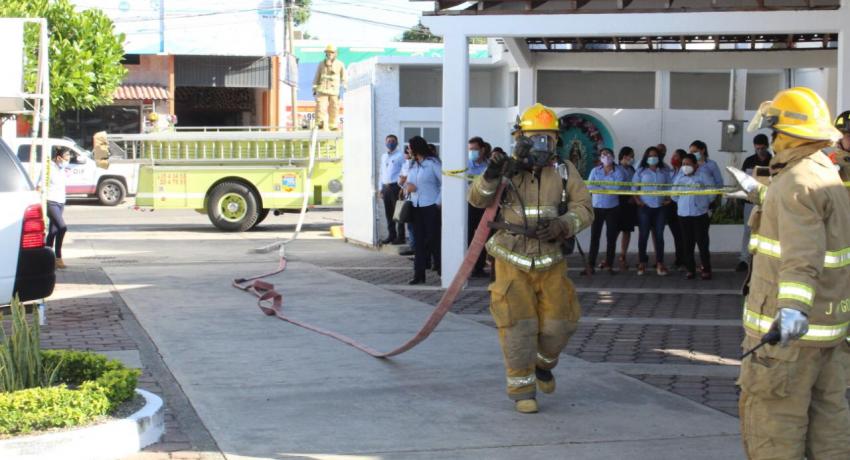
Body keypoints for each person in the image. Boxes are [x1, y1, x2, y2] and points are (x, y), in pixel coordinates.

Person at [727, 87, 850, 459]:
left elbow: (801, 253)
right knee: (829, 428)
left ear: (788, 132)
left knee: (774, 429)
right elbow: (806, 223)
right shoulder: (825, 173)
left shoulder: (796, 180)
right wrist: (761, 194)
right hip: (828, 333)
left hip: (787, 340)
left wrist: (793, 307)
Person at [468, 103, 593, 414]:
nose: (541, 146)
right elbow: (477, 199)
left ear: (556, 142)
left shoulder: (565, 171)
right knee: (517, 326)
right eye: (534, 139)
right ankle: (522, 389)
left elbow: (585, 209)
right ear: (519, 139)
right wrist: (493, 173)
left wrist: (563, 225)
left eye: (547, 140)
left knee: (559, 325)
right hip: (512, 260)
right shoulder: (508, 171)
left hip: (551, 260)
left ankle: (543, 363)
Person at [405, 136, 441, 285]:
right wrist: (407, 188)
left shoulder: (433, 163)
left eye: (410, 147)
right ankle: (418, 274)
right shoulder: (413, 164)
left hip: (430, 206)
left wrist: (438, 202)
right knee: (418, 242)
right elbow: (408, 183)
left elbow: (444, 183)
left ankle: (441, 269)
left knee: (433, 240)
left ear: (416, 148)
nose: (408, 150)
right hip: (415, 206)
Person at [633, 146, 672, 276]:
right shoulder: (640, 171)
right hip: (644, 207)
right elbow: (634, 188)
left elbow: (670, 188)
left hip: (660, 208)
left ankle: (660, 263)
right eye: (650, 156)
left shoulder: (664, 171)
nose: (653, 158)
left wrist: (668, 199)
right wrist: (638, 201)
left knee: (659, 236)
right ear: (646, 157)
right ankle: (642, 262)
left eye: (655, 155)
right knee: (643, 235)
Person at [672, 153, 712, 280]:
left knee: (702, 243)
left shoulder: (703, 175)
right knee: (687, 243)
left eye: (688, 164)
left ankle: (706, 269)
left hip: (700, 214)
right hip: (684, 215)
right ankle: (690, 269)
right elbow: (674, 195)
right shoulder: (680, 178)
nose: (685, 167)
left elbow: (712, 193)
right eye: (683, 164)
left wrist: (703, 204)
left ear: (695, 165)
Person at [585, 148, 625, 275]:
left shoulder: (619, 171)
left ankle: (609, 264)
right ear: (600, 157)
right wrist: (606, 186)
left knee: (611, 237)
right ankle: (590, 265)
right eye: (603, 154)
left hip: (613, 208)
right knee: (594, 237)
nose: (606, 156)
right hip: (597, 207)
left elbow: (617, 187)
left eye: (608, 154)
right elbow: (590, 186)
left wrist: (600, 186)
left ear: (613, 156)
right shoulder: (595, 170)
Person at [736, 134, 772, 272]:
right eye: (757, 149)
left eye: (762, 148)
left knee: (769, 230)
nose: (760, 151)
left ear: (767, 146)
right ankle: (745, 260)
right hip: (751, 202)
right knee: (748, 230)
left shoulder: (773, 161)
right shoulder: (749, 161)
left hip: (769, 202)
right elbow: (743, 180)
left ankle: (765, 260)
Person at [39, 148, 72, 269]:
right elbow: (40, 185)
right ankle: (58, 257)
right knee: (62, 227)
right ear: (58, 158)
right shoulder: (48, 168)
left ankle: (46, 259)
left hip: (60, 202)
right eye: (66, 158)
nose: (67, 161)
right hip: (51, 202)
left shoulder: (62, 169)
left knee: (53, 231)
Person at [467, 137, 490, 277]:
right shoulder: (465, 166)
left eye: (474, 150)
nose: (472, 153)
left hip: (485, 206)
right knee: (469, 236)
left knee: (483, 236)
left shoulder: (489, 167)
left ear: (482, 149)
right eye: (470, 150)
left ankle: (479, 267)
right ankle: (467, 267)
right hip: (468, 205)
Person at [378, 135, 405, 245]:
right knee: (389, 213)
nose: (390, 143)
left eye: (393, 141)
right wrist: (380, 188)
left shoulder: (400, 156)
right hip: (386, 187)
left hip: (396, 187)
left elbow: (404, 172)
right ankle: (391, 235)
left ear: (397, 142)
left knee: (398, 213)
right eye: (388, 141)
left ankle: (400, 236)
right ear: (385, 142)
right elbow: (381, 173)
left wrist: (402, 188)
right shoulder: (384, 156)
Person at [312, 44, 346, 131]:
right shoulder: (321, 64)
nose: (329, 54)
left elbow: (344, 79)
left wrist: (343, 90)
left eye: (331, 52)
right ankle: (319, 124)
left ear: (335, 53)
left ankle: (333, 125)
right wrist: (314, 90)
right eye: (328, 52)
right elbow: (316, 77)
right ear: (325, 54)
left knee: (334, 108)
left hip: (334, 92)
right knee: (320, 107)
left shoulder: (340, 65)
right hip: (322, 91)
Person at [616, 147, 638, 271]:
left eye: (632, 156)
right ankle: (609, 257)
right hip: (618, 202)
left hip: (630, 202)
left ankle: (622, 256)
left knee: (627, 230)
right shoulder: (616, 169)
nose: (632, 158)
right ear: (623, 157)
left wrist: (632, 197)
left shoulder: (632, 169)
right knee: (615, 230)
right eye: (630, 156)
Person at [666, 149, 686, 270]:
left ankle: (684, 260)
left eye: (676, 156)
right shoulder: (671, 172)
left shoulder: (684, 173)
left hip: (680, 204)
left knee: (682, 234)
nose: (673, 158)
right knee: (676, 234)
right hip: (670, 206)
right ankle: (679, 259)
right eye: (673, 155)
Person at [398, 145, 415, 256]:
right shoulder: (406, 164)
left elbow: (406, 178)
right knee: (409, 224)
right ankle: (412, 245)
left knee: (412, 224)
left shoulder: (412, 164)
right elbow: (400, 181)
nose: (406, 154)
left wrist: (403, 180)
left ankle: (414, 246)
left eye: (408, 151)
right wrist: (401, 181)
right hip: (406, 196)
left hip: (413, 198)